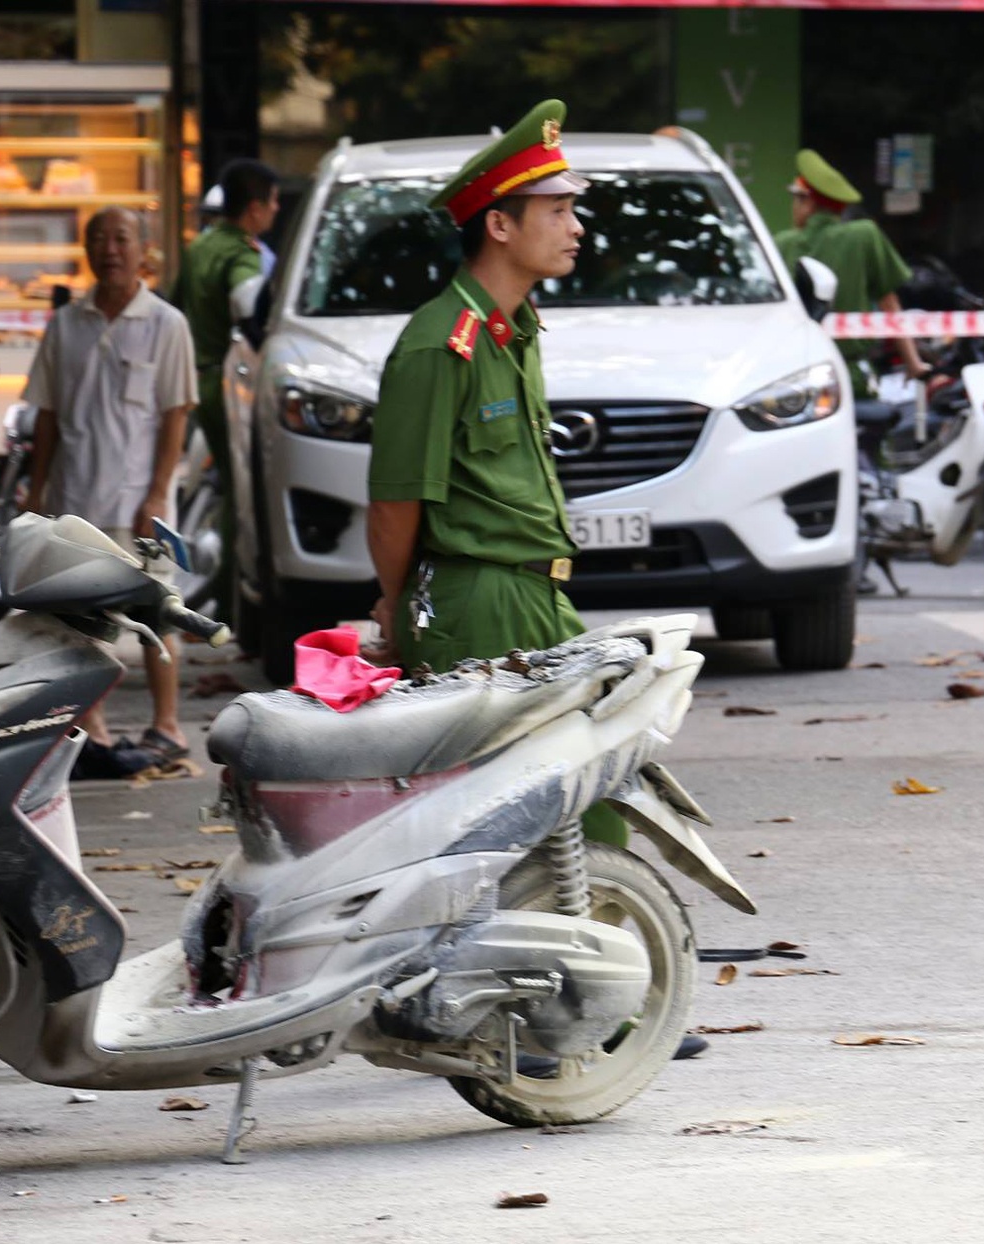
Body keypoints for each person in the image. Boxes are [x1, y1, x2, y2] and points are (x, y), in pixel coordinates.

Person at [363, 100, 703, 1065]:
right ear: (500, 226)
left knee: (585, 794)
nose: (576, 224)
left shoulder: (514, 328)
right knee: (502, 816)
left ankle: (600, 1001)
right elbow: (396, 506)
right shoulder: (442, 344)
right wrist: (397, 607)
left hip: (535, 592)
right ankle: (522, 1015)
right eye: (557, 208)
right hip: (476, 597)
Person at [23, 207, 199, 778]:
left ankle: (168, 725)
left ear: (143, 250)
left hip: (137, 501)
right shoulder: (66, 323)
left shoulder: (166, 323)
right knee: (81, 621)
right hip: (75, 497)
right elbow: (46, 414)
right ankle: (92, 728)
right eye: (98, 239)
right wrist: (36, 488)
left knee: (157, 615)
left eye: (121, 238)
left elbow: (176, 414)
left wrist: (156, 494)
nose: (110, 249)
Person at [171, 159, 280, 609]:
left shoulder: (202, 245)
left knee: (224, 488)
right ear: (254, 208)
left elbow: (175, 309)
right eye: (273, 202)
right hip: (224, 383)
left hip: (194, 381)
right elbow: (248, 303)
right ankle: (228, 595)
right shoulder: (243, 253)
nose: (275, 211)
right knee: (239, 493)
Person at [773, 148, 926, 385]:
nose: (793, 206)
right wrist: (913, 363)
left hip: (792, 378)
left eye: (796, 198)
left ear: (808, 202)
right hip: (852, 377)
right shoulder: (863, 235)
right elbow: (889, 304)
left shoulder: (782, 244)